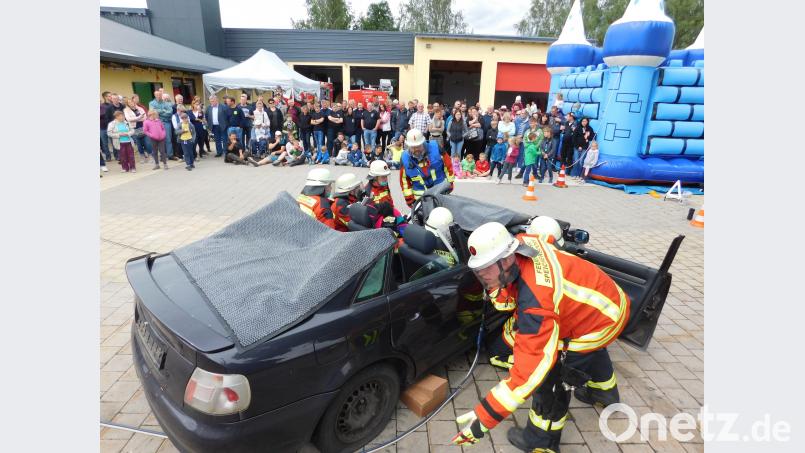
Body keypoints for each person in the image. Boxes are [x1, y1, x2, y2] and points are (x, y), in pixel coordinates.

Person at [450, 220, 629, 452]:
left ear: (505, 260)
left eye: (486, 270)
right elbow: (514, 287)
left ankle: (541, 442)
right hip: (609, 304)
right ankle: (604, 391)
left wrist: (485, 416)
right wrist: (498, 289)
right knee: (587, 351)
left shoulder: (536, 303)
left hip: (599, 322)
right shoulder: (524, 243)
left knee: (551, 379)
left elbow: (528, 372)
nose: (482, 277)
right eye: (478, 271)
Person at [399, 129, 455, 207]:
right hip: (420, 199)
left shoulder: (436, 148)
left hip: (440, 192)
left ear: (423, 142)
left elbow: (448, 166)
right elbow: (404, 181)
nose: (416, 149)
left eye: (418, 146)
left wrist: (450, 183)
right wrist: (409, 199)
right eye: (413, 147)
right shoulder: (404, 158)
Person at [123, 97, 149, 163]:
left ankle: (149, 154)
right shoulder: (126, 110)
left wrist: (136, 118)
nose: (131, 103)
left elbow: (145, 117)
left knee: (146, 142)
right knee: (139, 143)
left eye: (132, 102)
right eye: (129, 102)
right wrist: (139, 117)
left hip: (143, 126)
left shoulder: (139, 108)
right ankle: (142, 156)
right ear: (127, 104)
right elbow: (129, 119)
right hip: (134, 128)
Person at [152, 92, 175, 160]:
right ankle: (163, 156)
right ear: (155, 95)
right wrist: (164, 111)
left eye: (160, 95)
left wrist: (159, 112)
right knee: (160, 140)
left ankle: (170, 155)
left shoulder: (166, 103)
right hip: (157, 123)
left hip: (167, 122)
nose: (158, 96)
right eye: (157, 95)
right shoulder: (152, 103)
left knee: (168, 139)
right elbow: (153, 112)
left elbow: (170, 112)